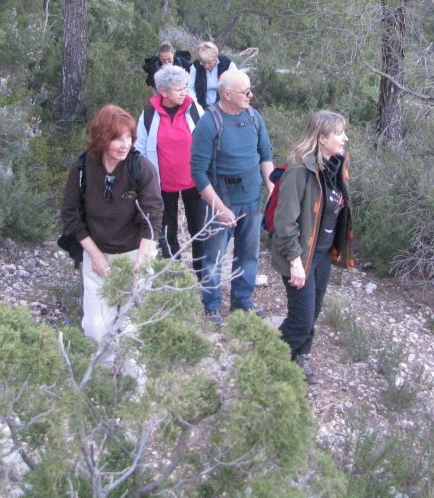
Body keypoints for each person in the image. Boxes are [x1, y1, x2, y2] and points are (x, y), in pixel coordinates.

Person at [60, 104, 163, 345]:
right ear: (102, 139)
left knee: (133, 328)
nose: (125, 144)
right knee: (96, 327)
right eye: (117, 138)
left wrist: (141, 261)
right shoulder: (83, 168)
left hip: (135, 252)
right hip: (97, 254)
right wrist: (95, 255)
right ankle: (102, 377)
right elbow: (71, 214)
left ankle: (136, 380)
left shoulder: (141, 168)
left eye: (128, 137)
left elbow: (152, 216)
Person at [271, 110, 354, 385]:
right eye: (339, 133)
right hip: (300, 256)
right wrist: (295, 261)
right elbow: (284, 223)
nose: (345, 138)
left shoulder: (336, 167)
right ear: (321, 138)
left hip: (322, 256)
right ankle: (266, 363)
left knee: (313, 313)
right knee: (301, 319)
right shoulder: (300, 171)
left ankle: (300, 356)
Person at [190, 69, 273, 325]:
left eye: (250, 89)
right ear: (226, 94)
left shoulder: (254, 118)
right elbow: (198, 173)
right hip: (221, 202)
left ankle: (242, 303)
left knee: (249, 255)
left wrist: (272, 190)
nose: (250, 95)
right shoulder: (208, 123)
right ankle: (211, 306)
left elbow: (265, 156)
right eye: (244, 91)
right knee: (214, 257)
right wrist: (219, 207)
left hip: (252, 199)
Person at [135, 65, 207, 278]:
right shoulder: (149, 114)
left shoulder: (194, 109)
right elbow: (139, 148)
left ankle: (202, 275)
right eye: (178, 89)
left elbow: (206, 140)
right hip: (162, 184)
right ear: (163, 91)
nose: (184, 92)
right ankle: (173, 276)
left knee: (199, 230)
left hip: (194, 182)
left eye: (185, 87)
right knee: (167, 232)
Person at [186, 41, 236, 109]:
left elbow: (237, 84)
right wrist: (196, 105)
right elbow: (190, 88)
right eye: (203, 62)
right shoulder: (195, 66)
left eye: (209, 63)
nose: (206, 66)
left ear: (215, 58)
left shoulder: (227, 64)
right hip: (201, 106)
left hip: (224, 106)